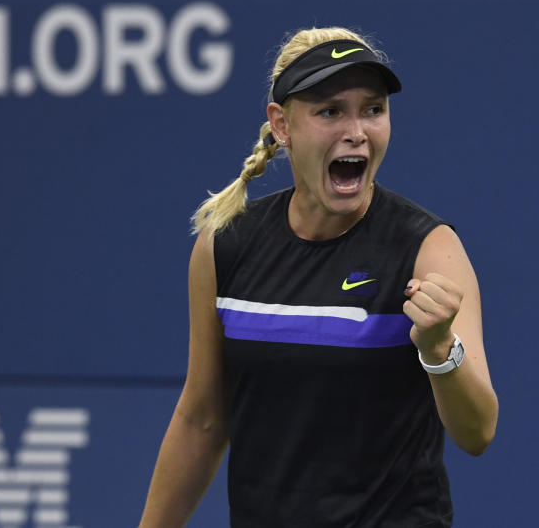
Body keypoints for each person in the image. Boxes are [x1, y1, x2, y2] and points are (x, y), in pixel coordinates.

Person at [138, 27, 498, 527]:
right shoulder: (226, 246)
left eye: (373, 109)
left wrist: (439, 352)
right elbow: (201, 420)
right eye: (330, 112)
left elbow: (478, 431)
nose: (357, 131)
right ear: (282, 126)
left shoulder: (428, 249)